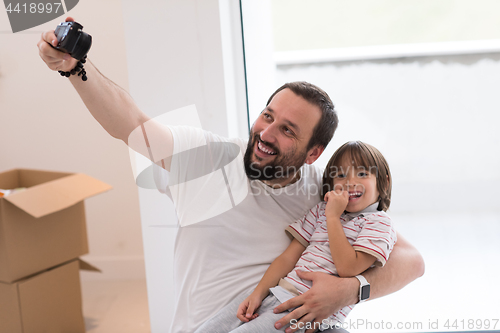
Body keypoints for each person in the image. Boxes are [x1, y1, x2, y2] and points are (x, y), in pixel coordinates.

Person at [37, 17, 425, 333]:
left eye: (288, 130)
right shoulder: (207, 157)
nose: (267, 133)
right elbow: (131, 124)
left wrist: (349, 291)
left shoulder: (325, 192)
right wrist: (76, 68)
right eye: (268, 116)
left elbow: (410, 259)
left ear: (314, 153)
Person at [194, 141, 396, 332]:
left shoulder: (379, 223)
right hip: (275, 294)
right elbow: (287, 258)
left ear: (383, 181)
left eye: (362, 173)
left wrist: (333, 217)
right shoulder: (321, 210)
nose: (350, 182)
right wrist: (258, 293)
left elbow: (348, 268)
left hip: (303, 311)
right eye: (341, 175)